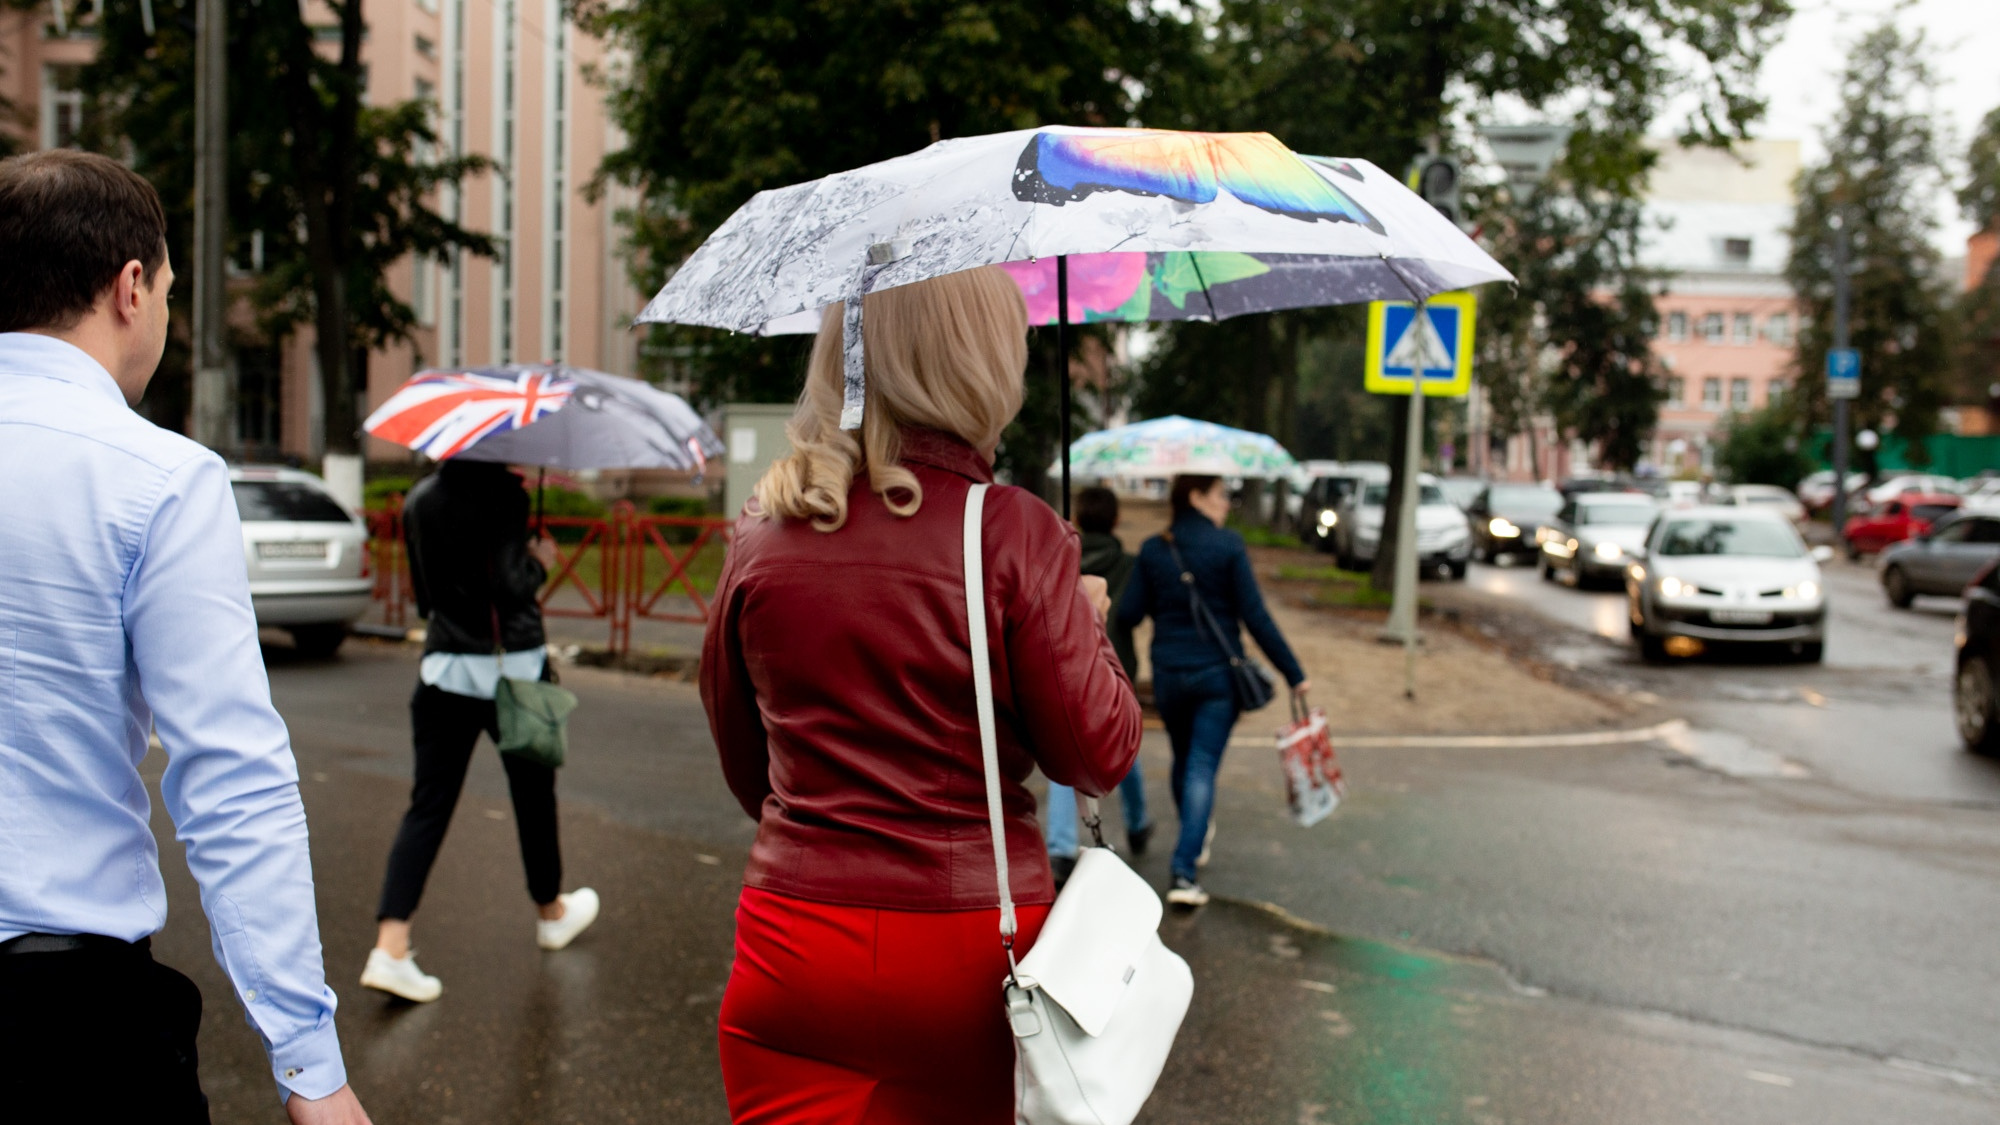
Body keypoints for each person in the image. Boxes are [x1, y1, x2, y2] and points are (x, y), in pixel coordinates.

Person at [701, 266, 1142, 1123]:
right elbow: (1097, 752)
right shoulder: (1012, 529)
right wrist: (1086, 622)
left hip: (787, 945)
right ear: (977, 360)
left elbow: (747, 768)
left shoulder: (762, 532)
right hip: (968, 957)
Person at [0, 150, 370, 1123]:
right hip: (60, 1026)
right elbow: (230, 778)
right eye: (167, 288)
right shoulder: (153, 477)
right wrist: (308, 1064)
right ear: (132, 287)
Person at [361, 460, 599, 1002]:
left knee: (429, 804)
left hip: (445, 669)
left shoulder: (419, 499)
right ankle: (551, 912)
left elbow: (426, 597)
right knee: (534, 797)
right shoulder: (507, 497)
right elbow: (511, 588)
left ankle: (390, 946)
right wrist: (539, 563)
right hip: (513, 673)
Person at [1118, 473, 1309, 908]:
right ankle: (1184, 870)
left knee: (1184, 762)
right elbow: (1255, 617)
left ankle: (1193, 838)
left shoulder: (1153, 549)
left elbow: (1128, 612)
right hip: (1217, 678)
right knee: (1201, 767)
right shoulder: (1228, 547)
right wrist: (1293, 672)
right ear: (1197, 496)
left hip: (1168, 674)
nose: (1226, 504)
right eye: (1221, 495)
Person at [1045, 486, 1153, 884]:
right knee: (1123, 744)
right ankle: (1138, 823)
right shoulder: (1130, 564)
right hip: (1115, 663)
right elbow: (1137, 613)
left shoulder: (1061, 556)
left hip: (1067, 665)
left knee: (1064, 747)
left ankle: (1060, 847)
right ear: (1116, 519)